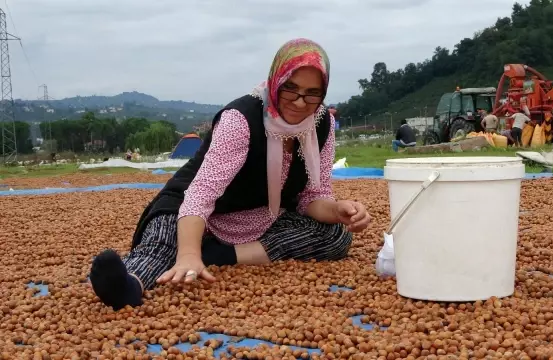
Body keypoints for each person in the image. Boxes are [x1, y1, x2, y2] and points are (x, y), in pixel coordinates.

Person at [88, 38, 372, 310]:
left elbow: (311, 197)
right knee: (164, 240)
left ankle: (215, 256)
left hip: (260, 217)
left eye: (313, 93)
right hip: (191, 211)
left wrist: (337, 210)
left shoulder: (321, 125)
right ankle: (130, 285)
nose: (299, 102)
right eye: (290, 88)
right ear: (275, 81)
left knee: (334, 237)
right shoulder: (241, 119)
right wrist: (188, 253)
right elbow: (200, 196)